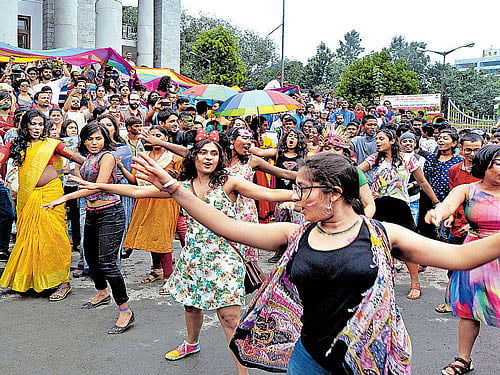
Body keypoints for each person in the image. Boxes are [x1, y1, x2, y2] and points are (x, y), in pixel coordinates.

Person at [129, 151, 500, 375]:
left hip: (369, 357)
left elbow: (462, 256)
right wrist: (175, 189)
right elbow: (226, 225)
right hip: (307, 356)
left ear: (334, 194)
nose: (296, 197)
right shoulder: (294, 234)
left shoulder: (384, 234)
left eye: (304, 189)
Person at [75, 136, 294, 374]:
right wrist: (101, 186)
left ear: (220, 158)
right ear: (194, 157)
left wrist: (301, 197)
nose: (208, 157)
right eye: (203, 153)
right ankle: (191, 343)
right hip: (194, 257)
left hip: (225, 258)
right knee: (191, 307)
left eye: (214, 153)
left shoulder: (229, 182)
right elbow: (139, 192)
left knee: (230, 317)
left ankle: (243, 372)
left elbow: (267, 194)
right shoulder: (182, 186)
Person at [43, 122, 134, 334]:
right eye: (90, 139)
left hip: (110, 213)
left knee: (108, 263)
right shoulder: (89, 158)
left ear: (105, 139)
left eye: (98, 138)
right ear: (84, 140)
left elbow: (98, 186)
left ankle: (125, 310)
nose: (94, 143)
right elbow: (81, 178)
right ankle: (102, 292)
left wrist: (64, 197)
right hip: (92, 213)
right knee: (90, 257)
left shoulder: (107, 157)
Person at [425, 145, 500, 375]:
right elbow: (447, 205)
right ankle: (463, 359)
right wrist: (438, 214)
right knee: (469, 310)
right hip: (474, 255)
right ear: (484, 164)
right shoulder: (468, 189)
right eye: (498, 162)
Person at [0, 109, 85, 300]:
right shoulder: (15, 145)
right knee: (29, 238)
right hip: (28, 195)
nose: (37, 128)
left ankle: (62, 282)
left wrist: (99, 165)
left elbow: (77, 158)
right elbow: (2, 155)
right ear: (25, 126)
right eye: (33, 124)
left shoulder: (53, 144)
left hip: (51, 195)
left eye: (40, 124)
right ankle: (31, 280)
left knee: (53, 237)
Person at [359, 129, 440, 300]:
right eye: (376, 139)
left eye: (381, 139)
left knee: (405, 247)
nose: (378, 142)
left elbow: (422, 181)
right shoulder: (374, 159)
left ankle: (415, 283)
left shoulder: (408, 159)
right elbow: (356, 173)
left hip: (399, 206)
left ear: (392, 141)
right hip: (378, 205)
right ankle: (379, 284)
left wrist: (436, 202)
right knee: (376, 245)